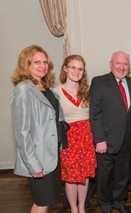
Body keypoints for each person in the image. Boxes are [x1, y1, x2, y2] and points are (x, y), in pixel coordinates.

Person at [10, 45, 63, 213]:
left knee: (46, 201)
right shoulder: (23, 90)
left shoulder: (48, 91)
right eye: (37, 62)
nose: (43, 66)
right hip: (38, 159)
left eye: (45, 62)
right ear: (26, 65)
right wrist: (33, 164)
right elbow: (22, 132)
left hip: (52, 156)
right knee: (42, 201)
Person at [89, 51, 131, 213]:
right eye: (118, 63)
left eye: (125, 64)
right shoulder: (99, 82)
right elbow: (95, 114)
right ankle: (105, 203)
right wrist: (99, 139)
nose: (122, 67)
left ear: (129, 67)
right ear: (111, 64)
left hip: (127, 139)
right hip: (106, 140)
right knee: (105, 175)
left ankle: (119, 201)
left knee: (122, 175)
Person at [53, 54, 97, 213]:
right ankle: (73, 208)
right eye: (73, 67)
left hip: (86, 138)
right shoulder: (55, 92)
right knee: (71, 178)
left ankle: (81, 207)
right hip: (69, 139)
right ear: (65, 68)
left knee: (84, 177)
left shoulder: (89, 90)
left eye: (80, 69)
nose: (76, 71)